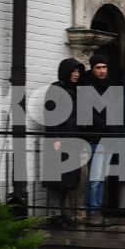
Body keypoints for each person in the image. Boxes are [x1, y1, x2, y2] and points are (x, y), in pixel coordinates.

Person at [78, 52, 125, 224]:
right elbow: (89, 117)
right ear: (93, 68)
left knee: (100, 177)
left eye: (104, 67)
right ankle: (93, 211)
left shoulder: (110, 87)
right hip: (95, 139)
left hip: (109, 139)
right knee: (95, 177)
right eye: (98, 67)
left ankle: (96, 210)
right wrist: (110, 126)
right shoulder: (87, 87)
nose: (102, 71)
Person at [43, 58, 88, 227]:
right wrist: (55, 138)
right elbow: (51, 114)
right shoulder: (56, 89)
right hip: (59, 141)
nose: (76, 75)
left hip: (72, 141)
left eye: (78, 71)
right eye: (73, 71)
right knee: (56, 181)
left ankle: (62, 213)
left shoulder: (74, 90)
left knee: (66, 181)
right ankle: (54, 216)